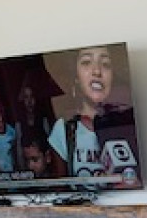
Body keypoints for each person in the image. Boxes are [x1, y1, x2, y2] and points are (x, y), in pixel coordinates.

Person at [47, 45, 114, 180]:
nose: (97, 71)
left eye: (105, 64)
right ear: (76, 78)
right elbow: (61, 185)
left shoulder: (125, 124)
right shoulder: (64, 128)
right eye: (86, 62)